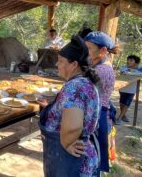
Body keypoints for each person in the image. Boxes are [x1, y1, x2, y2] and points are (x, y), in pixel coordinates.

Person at [38, 35, 101, 177]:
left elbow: (73, 127)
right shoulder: (85, 82)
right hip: (82, 153)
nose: (56, 64)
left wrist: (67, 143)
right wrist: (51, 108)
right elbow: (73, 109)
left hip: (70, 159)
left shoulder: (73, 87)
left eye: (60, 61)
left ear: (74, 65)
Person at [84, 31, 120, 174]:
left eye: (89, 48)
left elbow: (84, 91)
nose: (86, 52)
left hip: (98, 116)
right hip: (97, 111)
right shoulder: (98, 63)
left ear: (103, 50)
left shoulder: (102, 70)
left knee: (92, 156)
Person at [116, 55, 141, 125]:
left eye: (131, 60)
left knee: (127, 103)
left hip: (131, 90)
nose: (128, 61)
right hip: (122, 89)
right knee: (121, 103)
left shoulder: (139, 69)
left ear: (136, 63)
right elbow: (123, 73)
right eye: (128, 60)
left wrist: (136, 67)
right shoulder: (123, 68)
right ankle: (123, 115)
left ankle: (119, 118)